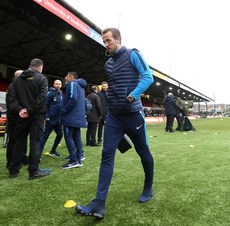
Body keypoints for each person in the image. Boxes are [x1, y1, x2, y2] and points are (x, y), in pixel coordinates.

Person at [75, 27, 154, 219]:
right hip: (114, 117)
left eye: (108, 40)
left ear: (118, 39)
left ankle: (148, 186)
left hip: (134, 115)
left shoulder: (132, 54)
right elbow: (114, 86)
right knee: (106, 155)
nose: (106, 44)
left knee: (143, 152)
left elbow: (148, 77)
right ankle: (99, 203)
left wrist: (133, 95)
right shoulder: (108, 64)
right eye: (104, 41)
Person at [8, 59, 50, 180]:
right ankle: (33, 171)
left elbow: (12, 99)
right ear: (40, 67)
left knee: (19, 142)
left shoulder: (17, 80)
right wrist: (29, 110)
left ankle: (13, 170)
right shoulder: (42, 79)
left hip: (21, 116)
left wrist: (21, 110)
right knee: (35, 142)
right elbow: (41, 98)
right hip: (36, 115)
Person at [61, 71, 87, 169]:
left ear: (71, 77)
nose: (65, 78)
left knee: (69, 136)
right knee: (77, 137)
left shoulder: (72, 84)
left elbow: (73, 99)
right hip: (77, 117)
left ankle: (73, 160)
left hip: (70, 117)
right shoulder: (81, 86)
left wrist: (64, 110)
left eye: (67, 76)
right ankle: (79, 157)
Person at [4, 70, 28, 167]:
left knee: (21, 139)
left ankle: (21, 158)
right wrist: (23, 110)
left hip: (18, 117)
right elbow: (12, 104)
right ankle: (11, 161)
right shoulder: (13, 86)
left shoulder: (16, 86)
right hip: (14, 117)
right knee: (13, 140)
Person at [39, 79, 64, 158]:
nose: (58, 85)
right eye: (56, 84)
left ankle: (53, 151)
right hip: (51, 119)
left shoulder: (61, 94)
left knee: (60, 135)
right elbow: (45, 105)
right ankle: (37, 155)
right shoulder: (50, 93)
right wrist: (46, 116)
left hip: (58, 120)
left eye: (59, 84)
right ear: (53, 84)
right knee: (44, 137)